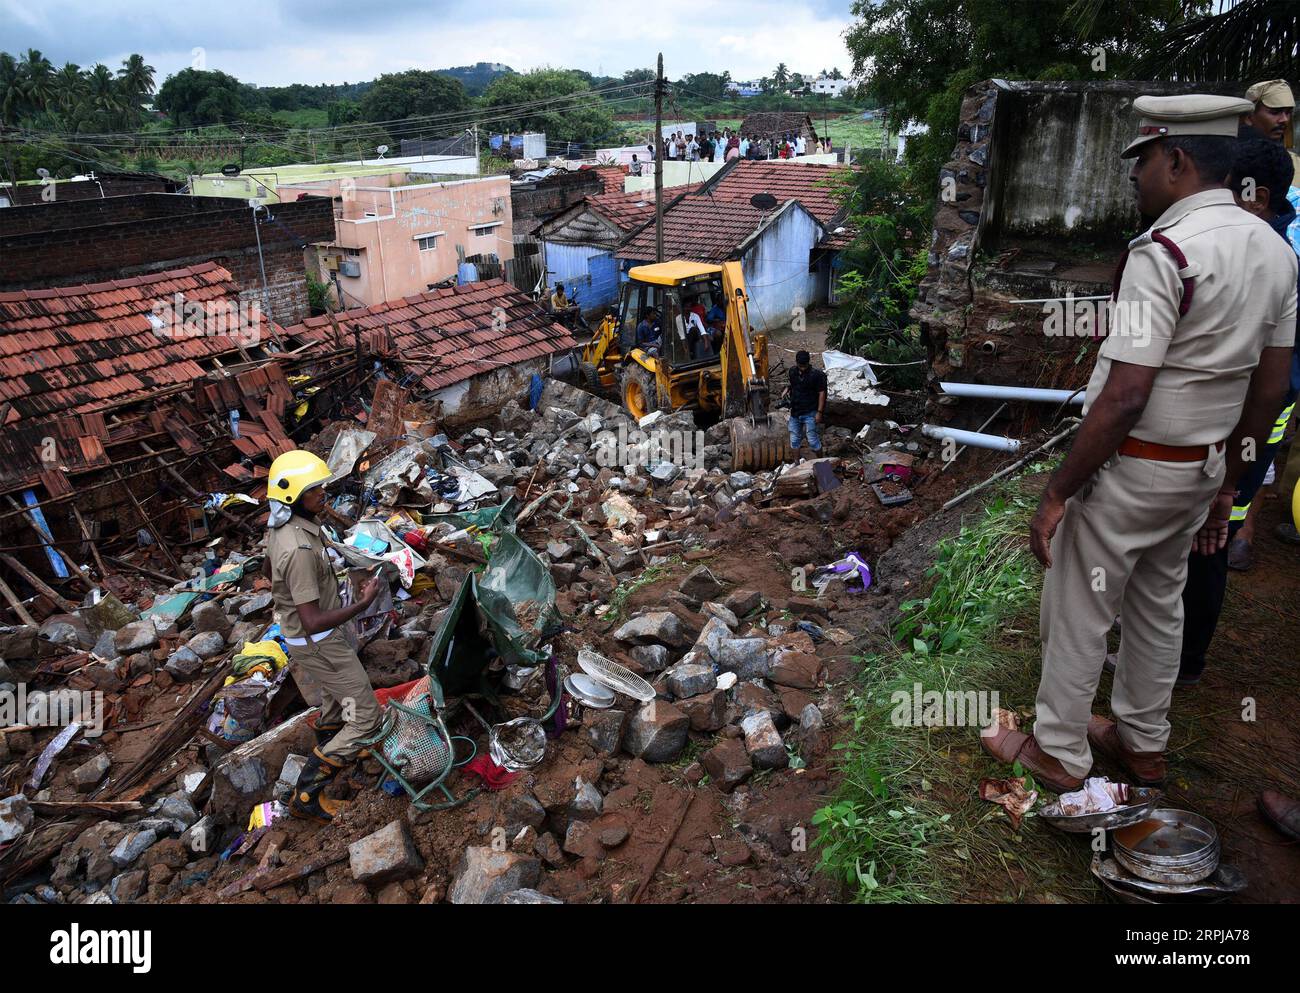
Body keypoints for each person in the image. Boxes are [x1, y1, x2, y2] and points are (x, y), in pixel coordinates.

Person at [981, 94, 1296, 793]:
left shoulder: (1166, 251)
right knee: (1160, 603)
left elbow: (1125, 394)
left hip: (1134, 471)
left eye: (1144, 159)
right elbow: (1269, 391)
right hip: (1202, 468)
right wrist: (1225, 487)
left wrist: (1057, 491)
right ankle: (1143, 742)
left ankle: (1058, 752)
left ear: (1178, 159)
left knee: (1079, 604)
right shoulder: (1275, 252)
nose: (1135, 174)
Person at [1171, 137, 1299, 682]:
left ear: (1257, 195)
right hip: (1240, 425)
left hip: (1241, 430)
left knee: (1208, 541)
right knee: (1201, 539)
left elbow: (1277, 383)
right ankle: (1174, 656)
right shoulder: (1268, 249)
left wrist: (1230, 468)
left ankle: (1182, 662)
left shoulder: (1273, 259)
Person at [266, 450, 384, 823]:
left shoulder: (287, 528)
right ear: (293, 495)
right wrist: (362, 603)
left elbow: (273, 570)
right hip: (319, 641)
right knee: (366, 715)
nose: (324, 493)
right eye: (315, 489)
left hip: (313, 641)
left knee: (336, 702)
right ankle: (308, 793)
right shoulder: (298, 549)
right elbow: (314, 619)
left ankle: (341, 745)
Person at [788, 350, 827, 455]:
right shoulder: (792, 372)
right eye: (800, 366)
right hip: (795, 412)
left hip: (810, 411)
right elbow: (792, 385)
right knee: (794, 439)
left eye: (804, 366)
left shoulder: (817, 375)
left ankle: (821, 462)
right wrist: (787, 390)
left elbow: (822, 393)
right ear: (797, 363)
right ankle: (796, 464)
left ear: (808, 362)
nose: (803, 368)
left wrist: (819, 412)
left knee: (812, 440)